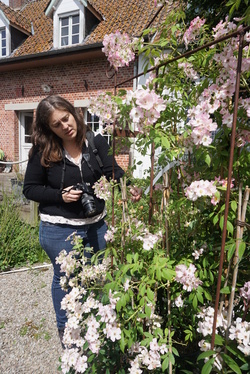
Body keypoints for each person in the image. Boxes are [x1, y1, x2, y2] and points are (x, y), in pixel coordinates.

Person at [23, 95, 141, 347]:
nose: (65, 126)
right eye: (57, 124)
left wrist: (128, 185)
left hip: (97, 225)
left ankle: (93, 326)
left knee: (95, 275)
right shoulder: (44, 151)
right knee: (65, 279)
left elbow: (112, 171)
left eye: (66, 118)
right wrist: (60, 195)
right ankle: (67, 332)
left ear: (73, 112)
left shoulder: (94, 141)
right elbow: (30, 189)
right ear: (49, 128)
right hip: (58, 229)